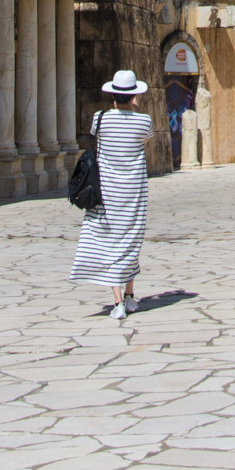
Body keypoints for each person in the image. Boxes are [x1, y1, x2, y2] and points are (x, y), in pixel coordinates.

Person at [70, 69, 155, 320]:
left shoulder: (100, 119)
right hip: (134, 192)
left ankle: (119, 302)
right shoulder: (145, 121)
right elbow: (143, 143)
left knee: (110, 244)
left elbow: (99, 140)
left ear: (113, 96)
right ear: (134, 96)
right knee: (130, 241)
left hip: (107, 193)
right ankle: (128, 297)